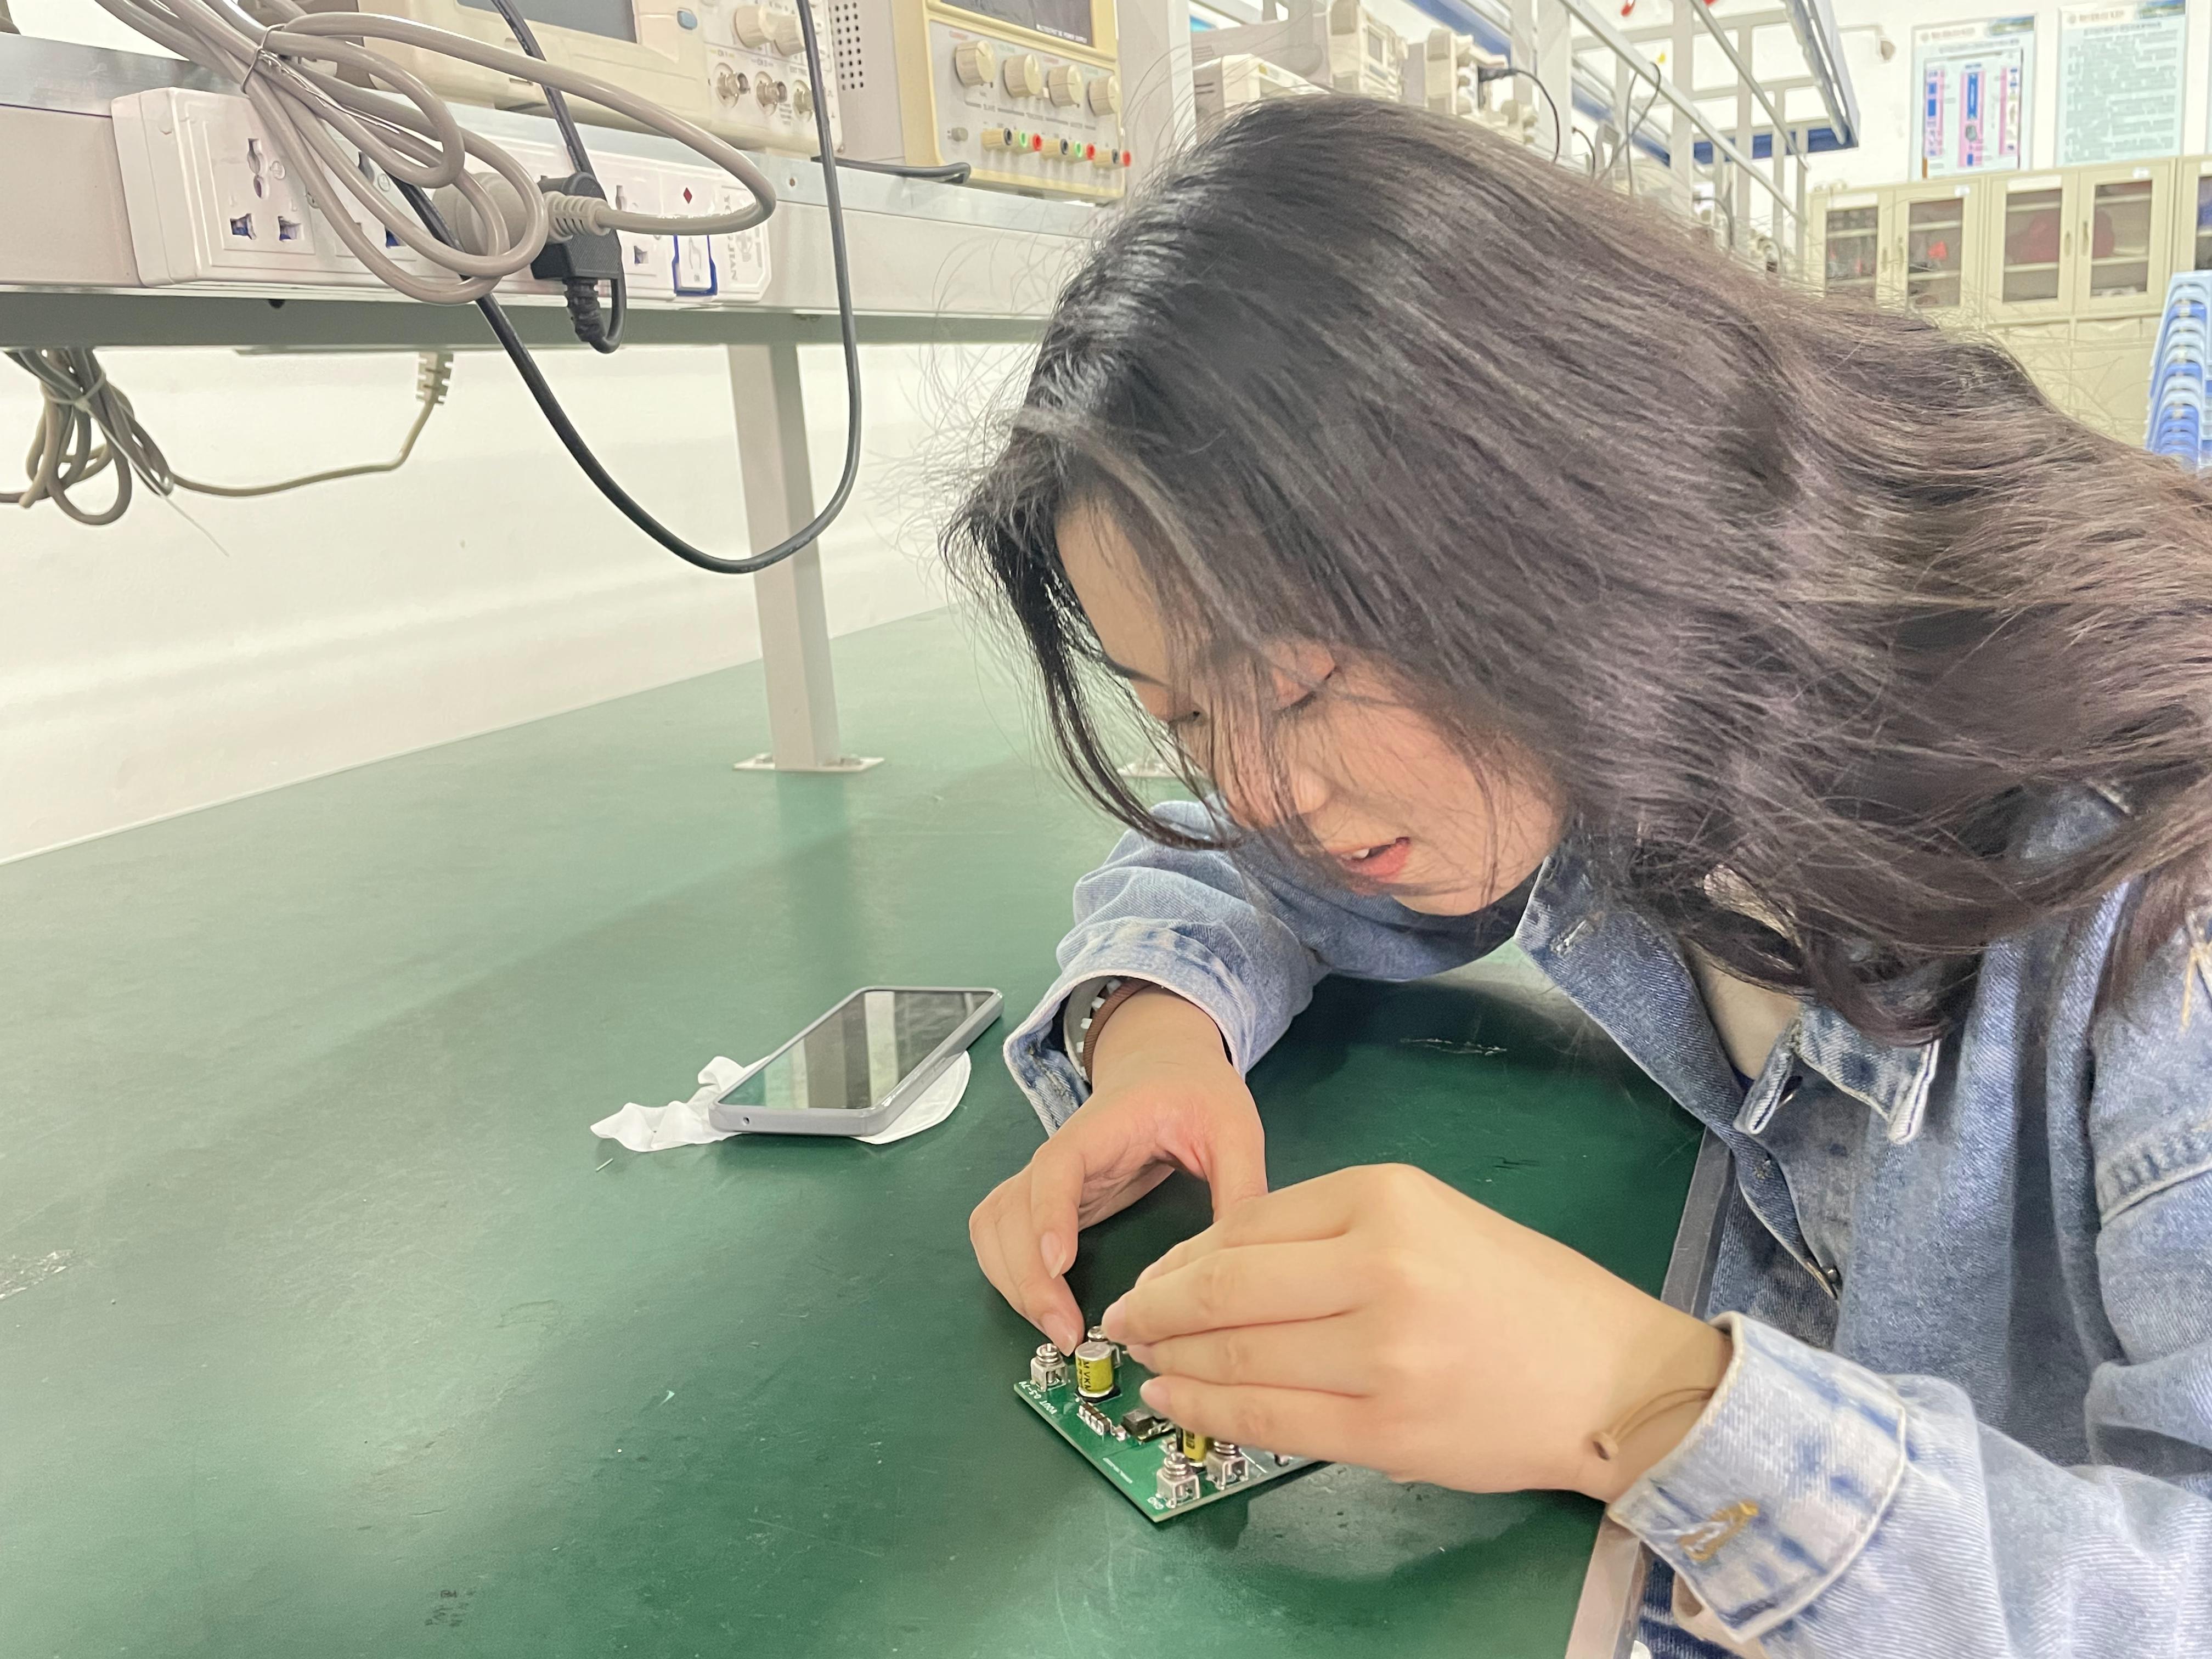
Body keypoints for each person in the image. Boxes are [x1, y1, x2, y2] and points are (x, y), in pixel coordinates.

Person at [941, 97, 2212, 1658]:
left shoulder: (2159, 870)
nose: (1260, 794)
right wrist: (1152, 1035)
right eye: (1190, 717)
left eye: (1297, 685)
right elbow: (1222, 864)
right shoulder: (1639, 710)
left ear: (1547, 520)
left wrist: (1647, 1400)